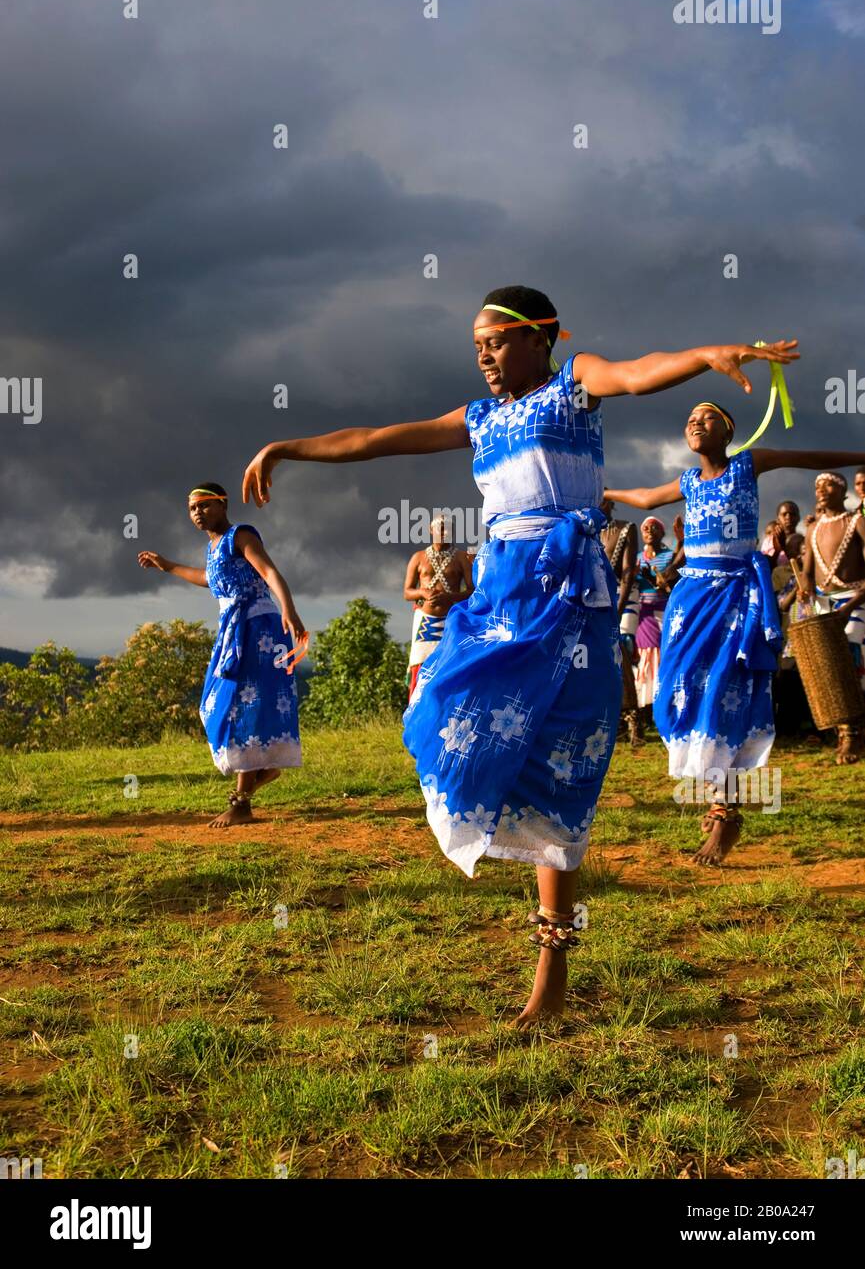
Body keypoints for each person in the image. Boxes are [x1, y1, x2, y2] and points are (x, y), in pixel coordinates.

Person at [242, 283, 797, 1022]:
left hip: (568, 602)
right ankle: (497, 832)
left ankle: (551, 966)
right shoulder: (478, 418)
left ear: (543, 338)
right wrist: (288, 446)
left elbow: (636, 373)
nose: (484, 355)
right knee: (447, 712)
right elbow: (376, 438)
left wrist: (705, 355)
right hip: (501, 598)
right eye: (476, 345)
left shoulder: (574, 385)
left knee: (561, 767)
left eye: (496, 341)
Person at [605, 404, 865, 865]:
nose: (695, 422)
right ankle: (716, 796)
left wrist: (856, 453)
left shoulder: (748, 463)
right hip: (690, 601)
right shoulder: (687, 481)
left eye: (707, 417)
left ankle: (724, 810)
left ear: (729, 431)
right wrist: (600, 490)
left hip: (735, 598)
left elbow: (808, 457)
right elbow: (645, 497)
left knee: (724, 694)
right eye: (688, 418)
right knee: (678, 696)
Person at [138, 484, 306, 827]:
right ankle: (262, 769)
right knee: (215, 705)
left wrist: (288, 610)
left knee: (242, 705)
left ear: (222, 504)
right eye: (192, 508)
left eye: (204, 505)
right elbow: (208, 579)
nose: (198, 512)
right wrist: (168, 566)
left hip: (257, 628)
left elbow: (269, 572)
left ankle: (242, 801)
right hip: (232, 631)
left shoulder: (240, 536)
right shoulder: (213, 548)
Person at [799, 471, 865, 762]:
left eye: (828, 484)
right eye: (817, 486)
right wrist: (804, 589)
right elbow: (807, 571)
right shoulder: (813, 529)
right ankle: (844, 732)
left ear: (842, 490)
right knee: (829, 667)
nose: (821, 490)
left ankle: (853, 734)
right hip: (824, 604)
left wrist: (848, 608)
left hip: (854, 600)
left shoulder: (856, 521)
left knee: (851, 658)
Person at [403, 515, 474, 699]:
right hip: (424, 622)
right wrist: (423, 593)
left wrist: (449, 597)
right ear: (430, 530)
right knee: (420, 666)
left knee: (449, 664)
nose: (445, 532)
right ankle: (416, 714)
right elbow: (407, 592)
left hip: (450, 620)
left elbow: (472, 591)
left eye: (448, 528)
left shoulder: (461, 558)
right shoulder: (418, 558)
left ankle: (444, 714)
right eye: (441, 528)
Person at [600, 498, 640, 744]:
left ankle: (633, 720)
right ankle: (615, 723)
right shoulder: (587, 531)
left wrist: (618, 609)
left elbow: (627, 574)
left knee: (621, 654)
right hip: (593, 600)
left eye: (603, 501)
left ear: (610, 503)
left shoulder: (626, 528)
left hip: (619, 600)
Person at [634, 516, 676, 715]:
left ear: (662, 532)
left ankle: (663, 700)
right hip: (643, 612)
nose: (649, 530)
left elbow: (671, 585)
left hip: (664, 610)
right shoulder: (636, 558)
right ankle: (646, 703)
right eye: (645, 528)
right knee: (645, 654)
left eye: (654, 528)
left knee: (662, 653)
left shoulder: (670, 557)